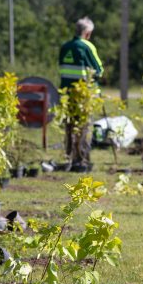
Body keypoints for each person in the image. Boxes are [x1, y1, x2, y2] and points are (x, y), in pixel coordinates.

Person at [58, 17, 104, 171]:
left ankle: (68, 156)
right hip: (84, 95)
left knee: (69, 126)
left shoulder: (65, 47)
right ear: (88, 33)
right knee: (84, 127)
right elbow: (99, 70)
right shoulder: (87, 47)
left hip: (67, 94)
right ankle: (81, 159)